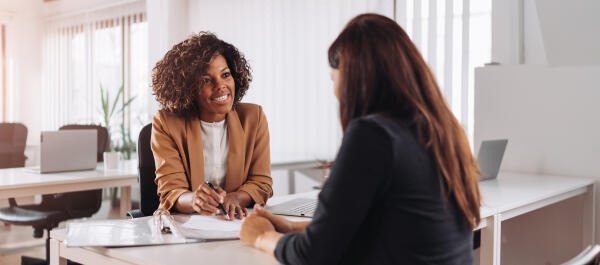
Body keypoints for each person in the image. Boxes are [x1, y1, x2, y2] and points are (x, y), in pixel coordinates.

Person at [240, 13, 481, 264]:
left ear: (354, 78)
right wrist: (291, 228)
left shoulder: (373, 135)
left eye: (334, 78)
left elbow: (313, 256)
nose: (335, 93)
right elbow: (384, 226)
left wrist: (261, 236)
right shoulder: (446, 131)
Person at [151, 32, 272, 220]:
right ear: (187, 87)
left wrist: (235, 198)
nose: (221, 86)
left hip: (234, 223)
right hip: (184, 226)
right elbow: (171, 191)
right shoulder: (166, 122)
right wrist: (194, 200)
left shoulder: (253, 118)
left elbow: (261, 183)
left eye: (225, 75)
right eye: (206, 80)